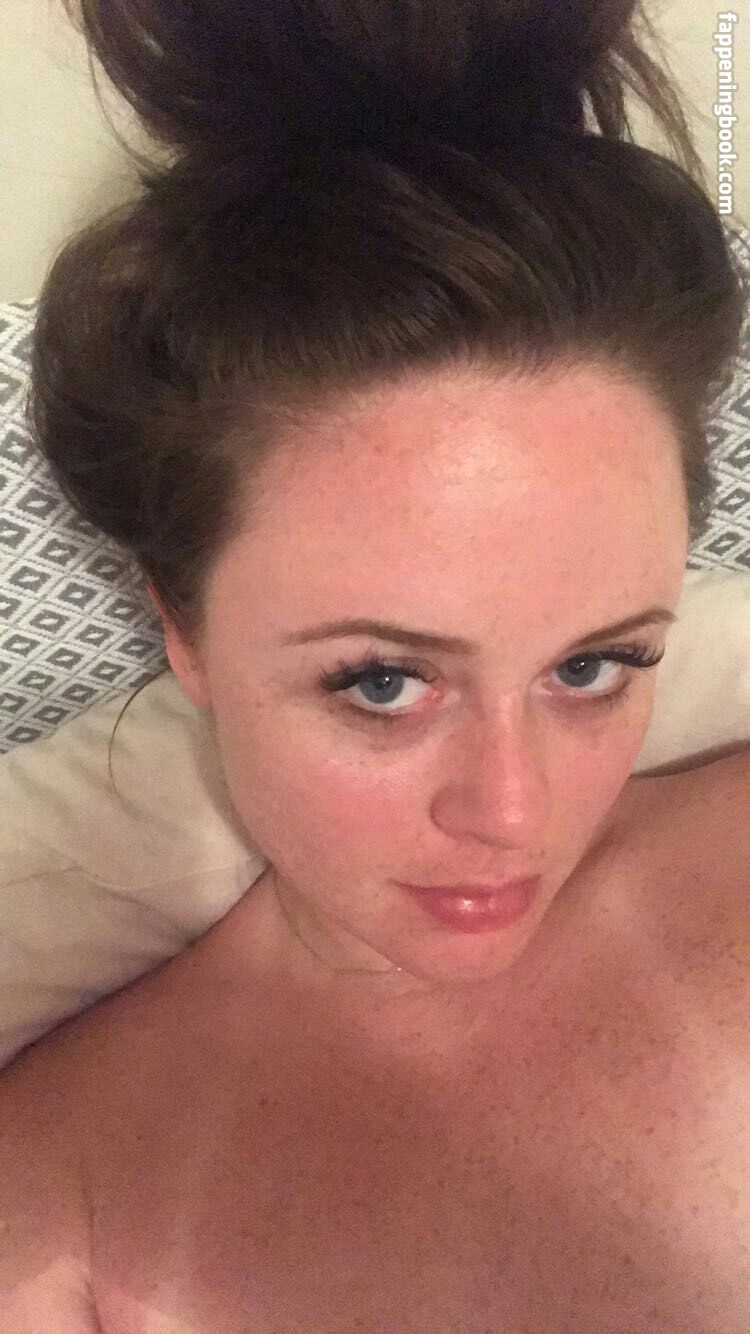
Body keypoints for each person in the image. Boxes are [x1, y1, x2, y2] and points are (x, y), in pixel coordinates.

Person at [1, 0, 748, 1328]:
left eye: (593, 666)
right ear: (184, 631)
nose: (513, 811)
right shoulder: (64, 1203)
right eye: (382, 682)